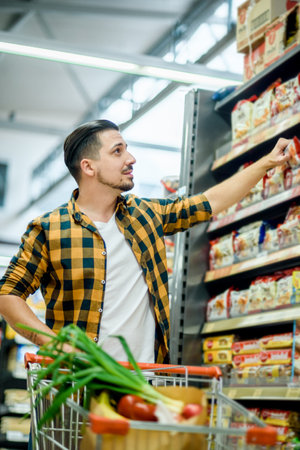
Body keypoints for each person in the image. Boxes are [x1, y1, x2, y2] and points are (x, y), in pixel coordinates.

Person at [0, 119, 291, 364]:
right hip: (75, 386)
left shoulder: (146, 215)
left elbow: (209, 203)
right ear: (89, 167)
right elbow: (8, 295)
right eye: (118, 152)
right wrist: (53, 344)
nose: (131, 159)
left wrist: (266, 163)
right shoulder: (49, 229)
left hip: (141, 382)